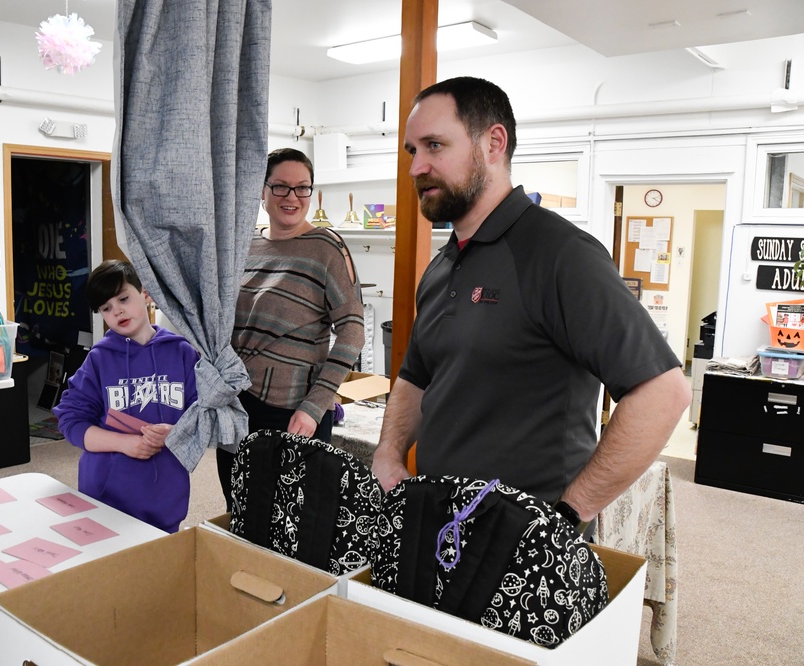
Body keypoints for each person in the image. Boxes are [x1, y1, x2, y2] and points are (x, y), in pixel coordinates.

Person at [371, 76, 690, 530]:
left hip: (524, 550)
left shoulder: (560, 254)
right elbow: (416, 376)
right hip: (439, 526)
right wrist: (388, 452)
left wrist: (565, 516)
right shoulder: (442, 266)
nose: (416, 168)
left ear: (493, 143)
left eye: (434, 146)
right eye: (411, 151)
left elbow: (664, 393)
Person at [218, 148, 365, 508]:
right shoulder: (244, 244)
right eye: (281, 187)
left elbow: (352, 332)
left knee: (291, 519)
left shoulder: (326, 248)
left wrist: (315, 406)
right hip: (236, 401)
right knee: (237, 506)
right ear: (262, 191)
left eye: (302, 188)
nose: (292, 197)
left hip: (294, 410)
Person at [53, 259, 199, 532]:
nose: (117, 311)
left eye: (123, 298)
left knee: (159, 567)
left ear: (144, 293)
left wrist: (176, 432)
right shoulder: (98, 360)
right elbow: (71, 423)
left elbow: (203, 414)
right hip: (106, 498)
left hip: (166, 495)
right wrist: (123, 444)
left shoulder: (183, 353)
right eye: (106, 308)